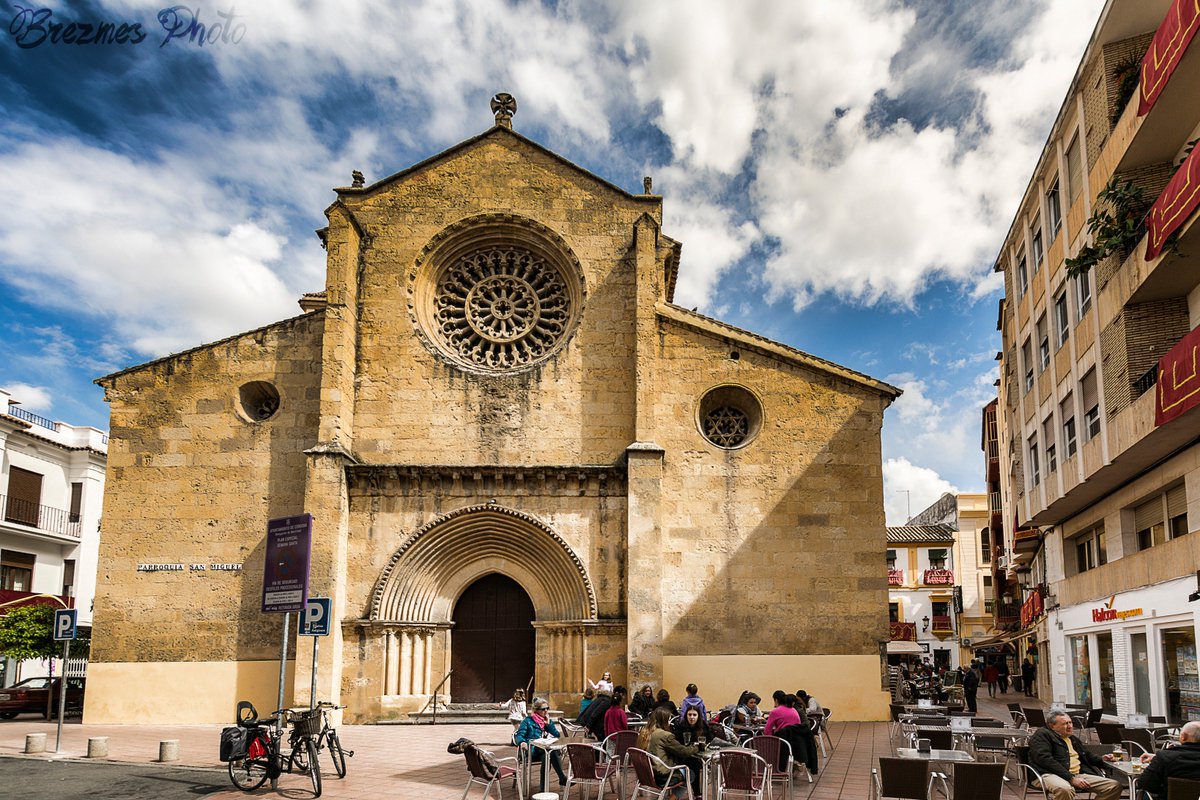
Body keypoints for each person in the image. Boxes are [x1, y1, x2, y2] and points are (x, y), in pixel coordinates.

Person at [1027, 709, 1121, 800]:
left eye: (1070, 722)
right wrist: (1070, 778)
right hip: (1048, 774)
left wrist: (1102, 759)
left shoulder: (1071, 738)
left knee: (1113, 786)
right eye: (1065, 724)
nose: (1070, 726)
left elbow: (1086, 755)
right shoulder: (1042, 735)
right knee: (1064, 789)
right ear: (1052, 726)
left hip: (1076, 774)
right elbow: (1044, 759)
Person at [639, 705, 698, 798]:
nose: (670, 723)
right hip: (662, 777)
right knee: (690, 773)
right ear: (664, 720)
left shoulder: (644, 731)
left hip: (645, 775)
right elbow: (684, 752)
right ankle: (673, 798)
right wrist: (696, 747)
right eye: (669, 719)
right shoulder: (664, 735)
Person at [513, 697, 568, 792]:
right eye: (543, 709)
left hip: (543, 750)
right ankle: (562, 778)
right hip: (531, 751)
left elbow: (557, 735)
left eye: (547, 708)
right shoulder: (528, 721)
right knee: (550, 753)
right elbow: (519, 735)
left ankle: (543, 789)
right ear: (536, 710)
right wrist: (522, 742)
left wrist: (548, 725)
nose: (546, 711)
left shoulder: (547, 721)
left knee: (548, 754)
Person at [1136, 720, 1200, 800]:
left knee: (1143, 793)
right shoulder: (1164, 757)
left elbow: (1144, 783)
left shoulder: (1165, 756)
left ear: (1183, 736)